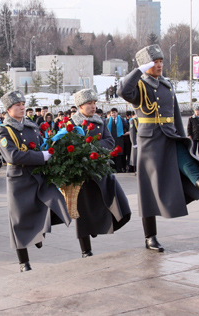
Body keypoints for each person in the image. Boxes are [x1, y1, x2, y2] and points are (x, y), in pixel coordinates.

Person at [118, 44, 199, 252]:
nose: (160, 65)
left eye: (161, 61)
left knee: (191, 168)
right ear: (145, 66)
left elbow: (176, 115)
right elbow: (122, 90)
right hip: (150, 143)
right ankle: (150, 237)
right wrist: (139, 70)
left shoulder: (166, 85)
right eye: (155, 62)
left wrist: (182, 138)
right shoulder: (140, 86)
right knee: (148, 190)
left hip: (171, 138)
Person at [0, 90, 71, 272]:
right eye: (17, 105)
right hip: (19, 180)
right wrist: (42, 156)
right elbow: (12, 155)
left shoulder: (32, 127)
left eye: (23, 104)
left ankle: (38, 232)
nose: (22, 108)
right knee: (19, 222)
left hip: (38, 176)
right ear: (8, 109)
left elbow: (42, 144)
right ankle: (24, 263)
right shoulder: (3, 130)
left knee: (56, 202)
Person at [70, 89, 132, 257]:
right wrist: (94, 146)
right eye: (89, 103)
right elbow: (71, 147)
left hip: (101, 170)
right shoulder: (72, 124)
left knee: (122, 207)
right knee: (82, 213)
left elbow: (110, 142)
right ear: (80, 106)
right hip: (81, 174)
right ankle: (86, 250)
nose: (93, 106)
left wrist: (90, 146)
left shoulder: (100, 122)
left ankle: (98, 226)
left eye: (94, 103)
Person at [107, 108, 128, 173]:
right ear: (110, 113)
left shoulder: (121, 120)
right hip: (111, 139)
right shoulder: (108, 121)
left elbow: (127, 126)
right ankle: (112, 169)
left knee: (119, 155)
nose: (113, 114)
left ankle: (119, 169)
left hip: (119, 139)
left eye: (114, 112)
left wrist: (127, 132)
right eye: (112, 113)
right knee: (112, 155)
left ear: (117, 113)